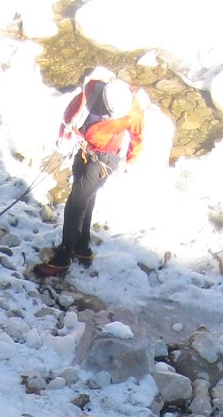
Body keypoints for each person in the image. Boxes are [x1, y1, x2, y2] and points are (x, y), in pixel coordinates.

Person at [35, 69, 145, 279]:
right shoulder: (91, 92)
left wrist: (131, 160)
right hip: (86, 150)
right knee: (86, 196)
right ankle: (82, 247)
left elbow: (137, 137)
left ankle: (63, 258)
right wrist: (65, 132)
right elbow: (71, 113)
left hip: (105, 159)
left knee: (76, 203)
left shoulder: (133, 111)